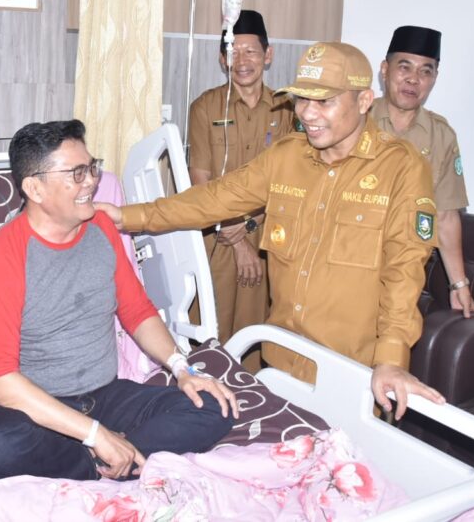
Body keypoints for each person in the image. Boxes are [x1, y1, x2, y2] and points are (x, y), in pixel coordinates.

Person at [99, 43, 446, 419]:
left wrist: (391, 359)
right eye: (302, 99)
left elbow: (403, 272)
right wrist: (127, 217)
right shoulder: (286, 156)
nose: (307, 113)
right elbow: (214, 199)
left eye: (324, 101)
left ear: (364, 101)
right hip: (281, 362)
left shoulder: (402, 168)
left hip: (351, 372)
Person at [0, 120, 236, 484]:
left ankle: (106, 460)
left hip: (105, 397)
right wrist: (95, 435)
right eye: (76, 173)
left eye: (92, 167)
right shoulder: (2, 254)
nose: (91, 181)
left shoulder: (101, 228)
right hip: (36, 410)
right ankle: (107, 457)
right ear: (34, 188)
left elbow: (137, 310)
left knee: (214, 404)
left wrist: (182, 369)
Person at [187, 9, 294, 371]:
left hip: (268, 238)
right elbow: (200, 179)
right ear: (222, 59)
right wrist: (237, 240)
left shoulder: (288, 109)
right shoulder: (205, 107)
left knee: (256, 335)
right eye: (233, 52)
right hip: (217, 236)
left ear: (268, 54)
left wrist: (249, 232)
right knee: (209, 331)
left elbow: (290, 183)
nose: (242, 60)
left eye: (251, 51)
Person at [371, 26, 474, 317]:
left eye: (426, 71)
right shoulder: (355, 120)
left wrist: (459, 285)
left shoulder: (441, 136)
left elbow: (445, 215)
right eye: (404, 67)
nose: (413, 79)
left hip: (403, 275)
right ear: (385, 70)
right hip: (345, 264)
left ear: (434, 78)